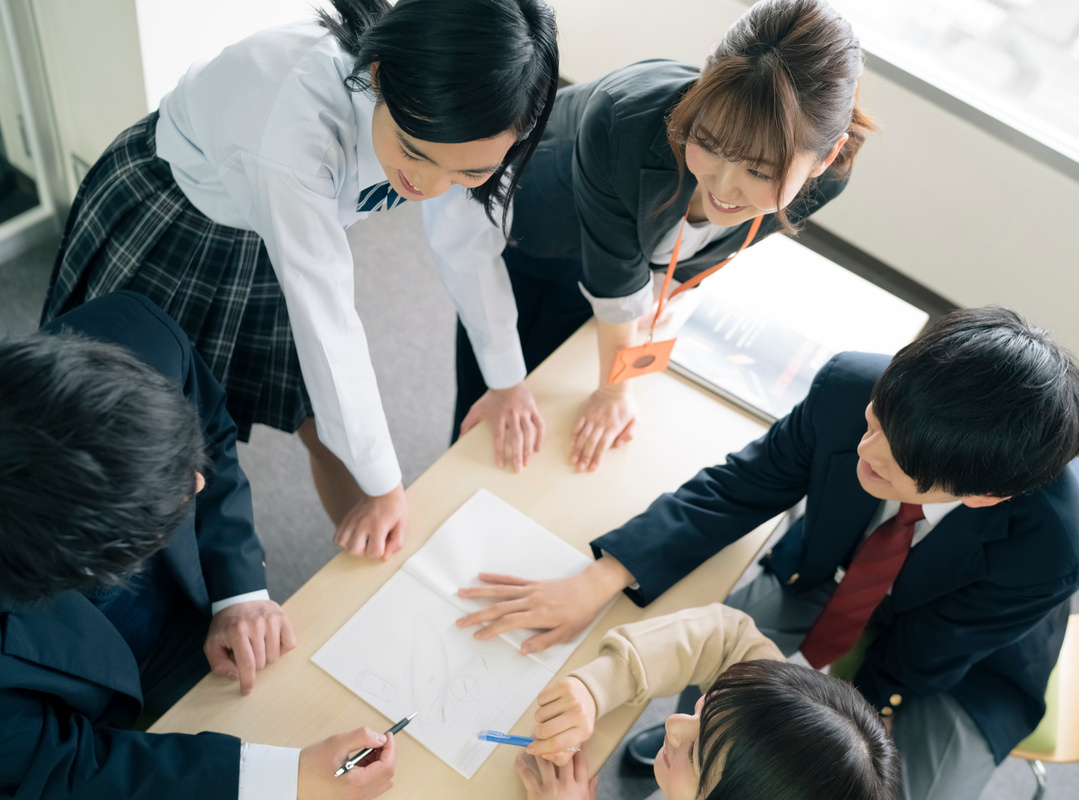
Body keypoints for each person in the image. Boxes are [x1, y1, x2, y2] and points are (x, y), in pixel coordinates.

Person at [455, 307, 1079, 800]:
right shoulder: (853, 386)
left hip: (958, 673)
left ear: (985, 495)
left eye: (896, 463)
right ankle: (704, 758)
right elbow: (744, 485)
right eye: (877, 422)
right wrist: (602, 577)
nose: (865, 453)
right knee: (712, 684)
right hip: (824, 577)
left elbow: (919, 660)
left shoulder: (1056, 543)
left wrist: (784, 747)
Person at [42, 0, 559, 561]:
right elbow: (328, 321)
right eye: (413, 151)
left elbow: (466, 244)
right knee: (138, 441)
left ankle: (385, 564)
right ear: (380, 77)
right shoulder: (298, 125)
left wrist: (506, 378)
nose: (430, 186)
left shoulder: (492, 114)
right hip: (180, 215)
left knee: (326, 422)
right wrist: (386, 486)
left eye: (468, 171)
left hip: (286, 228)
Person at [0, 292, 397, 799]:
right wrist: (284, 781)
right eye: (159, 504)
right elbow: (64, 766)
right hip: (65, 713)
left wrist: (239, 595)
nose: (196, 484)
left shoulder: (136, 337)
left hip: (189, 606)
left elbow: (210, 435)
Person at [450, 0, 874, 471]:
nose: (724, 186)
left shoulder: (828, 179)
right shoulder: (623, 117)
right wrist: (614, 390)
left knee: (551, 405)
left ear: (825, 156)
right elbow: (615, 278)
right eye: (709, 144)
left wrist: (668, 284)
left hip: (632, 257)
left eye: (759, 170)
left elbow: (723, 240)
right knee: (492, 396)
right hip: (542, 223)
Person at [515, 604, 899, 800]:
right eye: (705, 707)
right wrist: (598, 685)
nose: (672, 722)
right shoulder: (775, 712)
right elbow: (726, 637)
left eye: (697, 753)